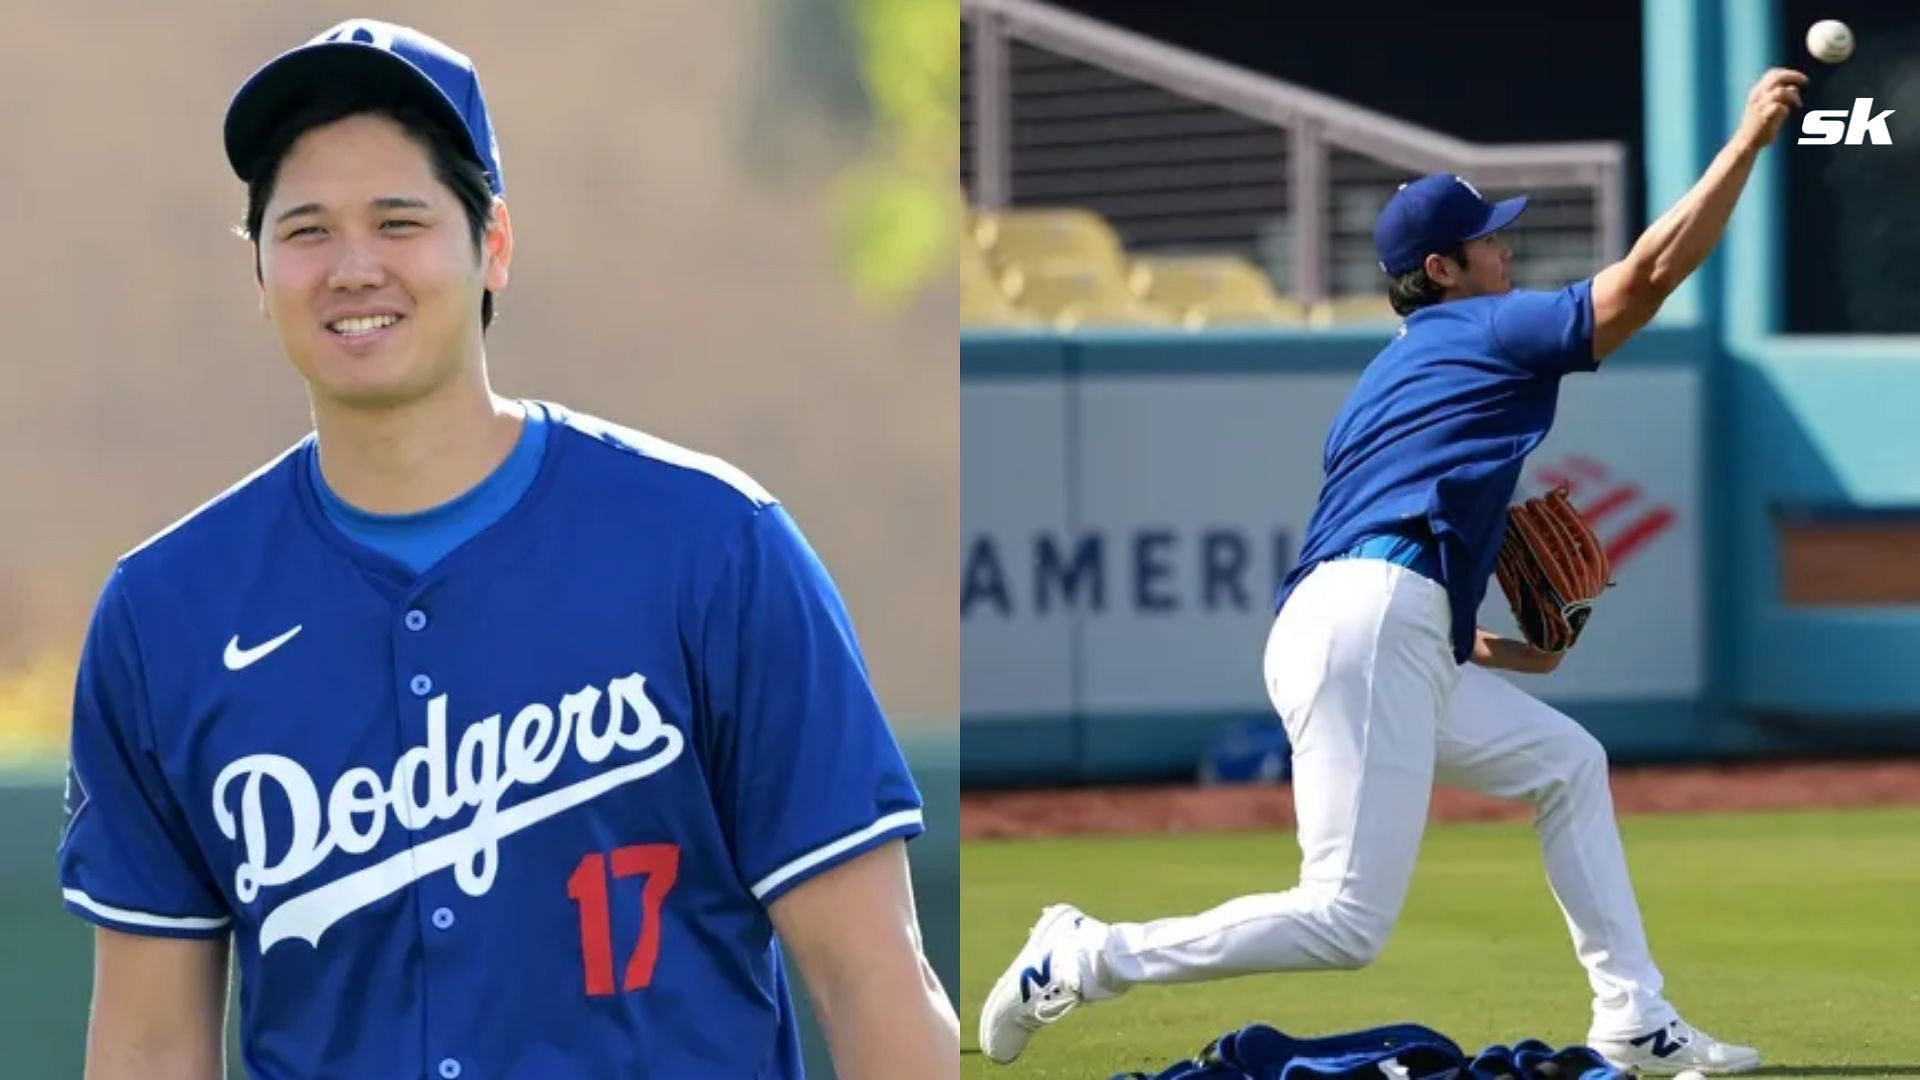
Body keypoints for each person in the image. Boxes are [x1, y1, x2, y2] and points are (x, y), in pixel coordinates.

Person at [56, 18, 958, 1080]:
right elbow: (151, 1043)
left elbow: (876, 982)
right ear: (258, 273)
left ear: (493, 247)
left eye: (400, 221)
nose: (353, 267)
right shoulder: (167, 614)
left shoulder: (711, 548)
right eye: (304, 230)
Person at [979, 67, 1809, 1077]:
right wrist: (1745, 147)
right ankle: (1088, 955)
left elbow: (1390, 566)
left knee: (1567, 766)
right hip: (1372, 621)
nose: (1508, 250)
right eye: (1492, 239)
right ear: (1444, 269)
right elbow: (1643, 278)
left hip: (1366, 621)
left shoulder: (1391, 375)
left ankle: (1633, 1015)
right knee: (1343, 920)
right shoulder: (1485, 328)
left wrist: (1495, 647)